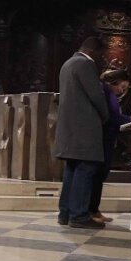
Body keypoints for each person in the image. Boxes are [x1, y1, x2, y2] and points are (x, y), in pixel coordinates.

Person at [52, 38, 109, 230]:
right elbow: (96, 95)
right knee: (85, 169)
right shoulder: (85, 64)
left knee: (72, 169)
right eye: (100, 54)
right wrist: (105, 115)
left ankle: (65, 213)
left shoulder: (68, 63)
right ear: (93, 51)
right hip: (84, 129)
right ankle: (79, 215)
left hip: (70, 129)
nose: (100, 58)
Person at [90, 69, 131, 223]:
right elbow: (112, 117)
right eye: (121, 87)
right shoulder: (106, 92)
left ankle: (94, 210)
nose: (122, 91)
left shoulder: (109, 93)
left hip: (108, 138)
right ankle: (92, 210)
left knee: (100, 176)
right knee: (98, 176)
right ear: (114, 81)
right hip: (103, 139)